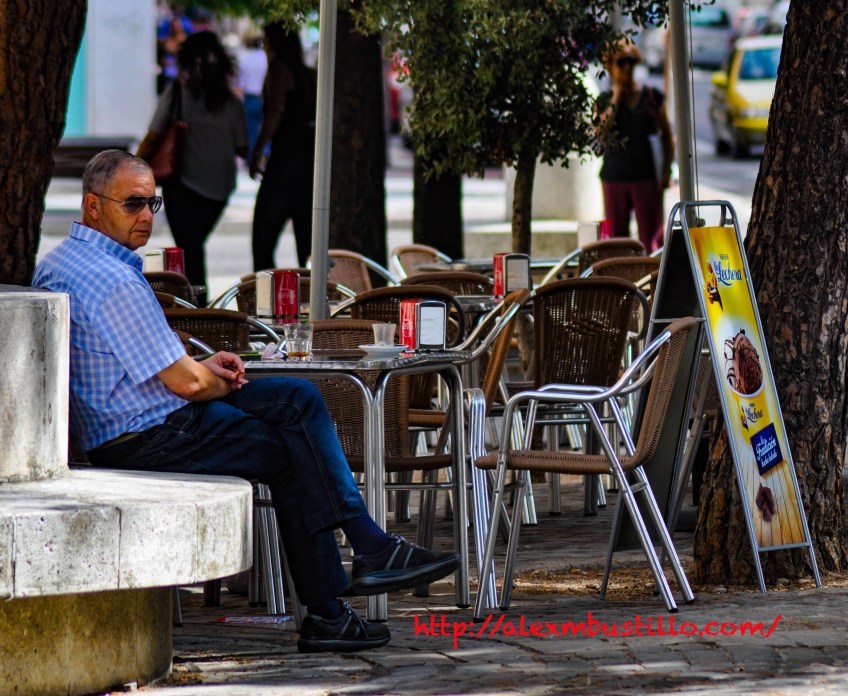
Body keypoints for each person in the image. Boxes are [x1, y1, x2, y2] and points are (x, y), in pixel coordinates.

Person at [32, 150, 460, 653]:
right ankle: (351, 576)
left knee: (297, 402)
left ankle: (352, 578)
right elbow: (187, 386)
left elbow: (161, 369)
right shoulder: (113, 280)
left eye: (153, 202)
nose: (147, 216)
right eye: (133, 204)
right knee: (291, 444)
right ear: (93, 206)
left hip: (133, 420)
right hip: (146, 434)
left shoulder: (59, 263)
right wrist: (206, 378)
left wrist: (204, 370)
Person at [138, 31, 249, 303]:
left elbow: (154, 134)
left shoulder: (177, 92)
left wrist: (135, 166)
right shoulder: (231, 102)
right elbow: (242, 146)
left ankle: (194, 305)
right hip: (219, 189)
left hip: (183, 185)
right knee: (193, 247)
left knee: (188, 249)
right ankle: (197, 303)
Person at [596, 40, 674, 253]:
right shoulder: (604, 100)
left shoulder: (651, 96)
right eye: (621, 62)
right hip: (615, 177)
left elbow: (667, 136)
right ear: (610, 66)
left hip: (646, 177)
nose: (627, 67)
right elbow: (600, 132)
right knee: (617, 241)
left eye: (631, 61)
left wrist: (667, 170)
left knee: (651, 237)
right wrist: (617, 96)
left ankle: (652, 281)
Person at [249, 24, 316, 269]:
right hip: (308, 167)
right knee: (307, 247)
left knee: (263, 241)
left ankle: (267, 298)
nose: (264, 48)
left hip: (284, 164)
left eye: (266, 43)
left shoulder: (278, 71)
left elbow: (275, 111)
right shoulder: (310, 75)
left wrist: (258, 152)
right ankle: (309, 300)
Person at [236, 32, 268, 161]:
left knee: (251, 131)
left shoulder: (243, 57)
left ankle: (251, 159)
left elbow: (240, 83)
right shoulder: (265, 57)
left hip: (250, 98)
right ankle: (263, 155)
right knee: (264, 129)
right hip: (264, 97)